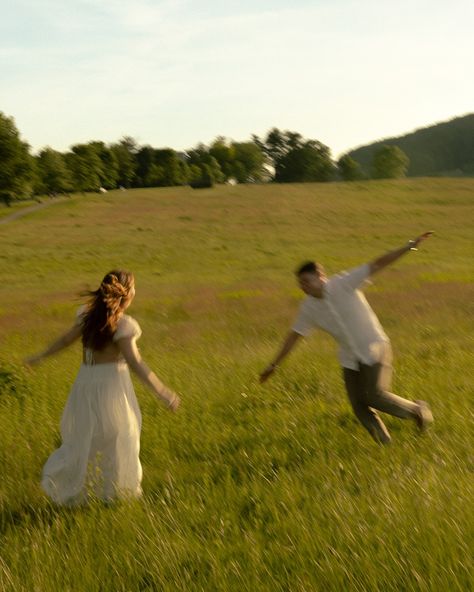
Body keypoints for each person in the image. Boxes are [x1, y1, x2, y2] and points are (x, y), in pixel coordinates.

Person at [259, 233, 434, 444]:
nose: (302, 287)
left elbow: (378, 264)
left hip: (374, 346)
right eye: (300, 283)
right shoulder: (308, 308)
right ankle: (385, 444)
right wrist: (274, 365)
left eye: (306, 281)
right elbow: (294, 336)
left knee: (375, 395)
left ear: (320, 276)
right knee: (359, 406)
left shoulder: (344, 283)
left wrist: (408, 247)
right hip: (350, 357)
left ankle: (417, 410)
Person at [25, 270, 180, 505]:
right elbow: (135, 363)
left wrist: (41, 356)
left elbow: (65, 341)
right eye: (135, 288)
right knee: (120, 437)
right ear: (126, 294)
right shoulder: (123, 325)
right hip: (111, 387)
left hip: (85, 383)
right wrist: (163, 392)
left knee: (88, 437)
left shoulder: (88, 318)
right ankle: (113, 493)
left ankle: (91, 491)